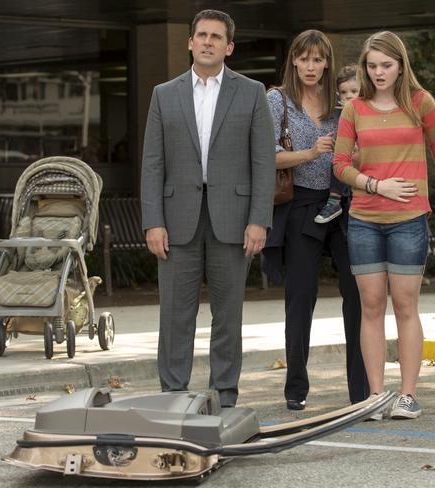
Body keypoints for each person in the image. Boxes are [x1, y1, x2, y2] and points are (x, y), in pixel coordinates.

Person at [140, 9, 275, 407]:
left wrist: (258, 220)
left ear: (229, 47)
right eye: (201, 35)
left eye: (217, 37)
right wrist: (152, 222)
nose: (208, 42)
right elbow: (152, 164)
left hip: (233, 221)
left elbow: (263, 162)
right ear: (189, 42)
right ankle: (172, 395)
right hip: (175, 220)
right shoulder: (164, 94)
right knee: (174, 316)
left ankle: (224, 397)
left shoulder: (251, 92)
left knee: (228, 316)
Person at [333, 31, 435, 420]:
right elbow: (340, 165)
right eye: (372, 66)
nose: (378, 73)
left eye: (386, 65)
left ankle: (408, 395)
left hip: (409, 219)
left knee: (406, 306)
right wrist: (376, 184)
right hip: (364, 221)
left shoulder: (421, 103)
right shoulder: (353, 109)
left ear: (401, 64)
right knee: (370, 307)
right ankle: (376, 395)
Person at [263, 30, 369, 411]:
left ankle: (361, 389)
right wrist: (309, 153)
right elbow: (265, 155)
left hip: (345, 202)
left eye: (317, 59)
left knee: (356, 295)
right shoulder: (277, 100)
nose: (310, 66)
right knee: (301, 296)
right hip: (301, 205)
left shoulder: (344, 100)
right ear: (294, 60)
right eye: (303, 58)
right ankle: (296, 388)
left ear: (327, 63)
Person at [314, 64, 360, 224]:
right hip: (345, 172)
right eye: (344, 92)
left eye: (354, 91)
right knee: (336, 161)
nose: (348, 96)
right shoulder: (339, 114)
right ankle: (334, 201)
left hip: (365, 172)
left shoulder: (369, 112)